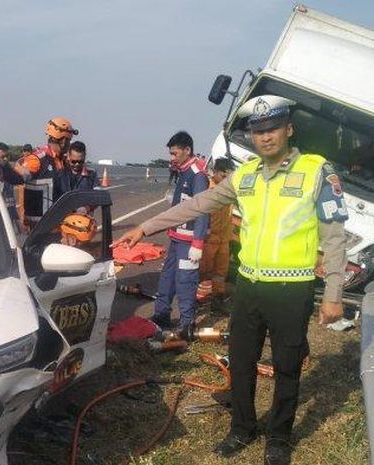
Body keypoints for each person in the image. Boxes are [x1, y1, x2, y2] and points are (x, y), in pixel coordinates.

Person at [112, 95, 348, 465]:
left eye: (272, 129)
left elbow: (334, 237)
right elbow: (197, 204)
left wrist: (333, 292)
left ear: (288, 129)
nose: (265, 137)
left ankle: (279, 439)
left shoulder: (317, 172)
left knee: (286, 367)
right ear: (252, 136)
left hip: (292, 289)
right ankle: (242, 428)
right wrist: (145, 227)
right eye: (258, 131)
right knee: (241, 361)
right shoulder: (246, 175)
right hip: (250, 287)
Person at [150, 131, 209, 334]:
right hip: (176, 238)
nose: (172, 158)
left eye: (175, 154)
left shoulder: (197, 174)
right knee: (166, 278)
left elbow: (202, 209)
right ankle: (161, 315)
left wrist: (198, 244)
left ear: (187, 150)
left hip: (189, 241)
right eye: (171, 154)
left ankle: (187, 324)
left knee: (185, 281)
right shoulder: (183, 171)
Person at [3, 117, 78, 226]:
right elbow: (17, 178)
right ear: (58, 140)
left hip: (58, 224)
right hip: (39, 228)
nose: (68, 144)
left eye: (69, 141)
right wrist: (4, 165)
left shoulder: (63, 162)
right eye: (66, 140)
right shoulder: (37, 159)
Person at [199, 157, 235, 305]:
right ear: (215, 172)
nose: (226, 179)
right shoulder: (206, 190)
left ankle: (217, 297)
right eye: (223, 176)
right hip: (209, 239)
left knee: (221, 271)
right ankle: (198, 299)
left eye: (228, 176)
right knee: (203, 271)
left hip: (224, 239)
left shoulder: (229, 191)